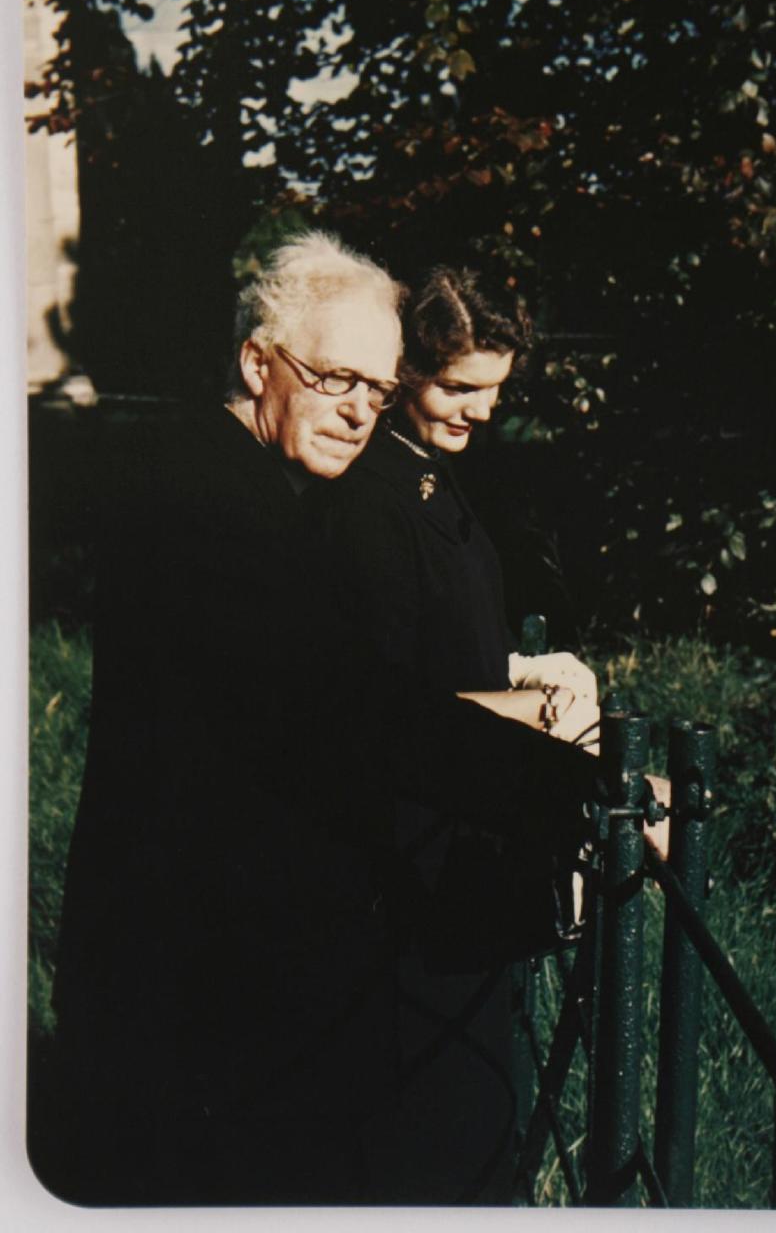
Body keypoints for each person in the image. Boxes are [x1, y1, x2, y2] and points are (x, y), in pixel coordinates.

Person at [37, 234, 601, 1207]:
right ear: (260, 361)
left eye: (377, 390)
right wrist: (594, 792)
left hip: (219, 972)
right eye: (335, 375)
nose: (357, 409)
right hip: (193, 986)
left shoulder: (250, 486)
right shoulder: (206, 502)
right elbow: (354, 711)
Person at [312, 267, 661, 1205]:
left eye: (494, 393)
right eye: (457, 388)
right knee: (441, 1150)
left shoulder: (430, 477)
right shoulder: (370, 504)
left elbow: (442, 646)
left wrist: (521, 671)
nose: (479, 413)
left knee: (478, 1134)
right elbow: (395, 714)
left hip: (468, 866)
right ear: (402, 372)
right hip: (421, 889)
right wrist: (574, 762)